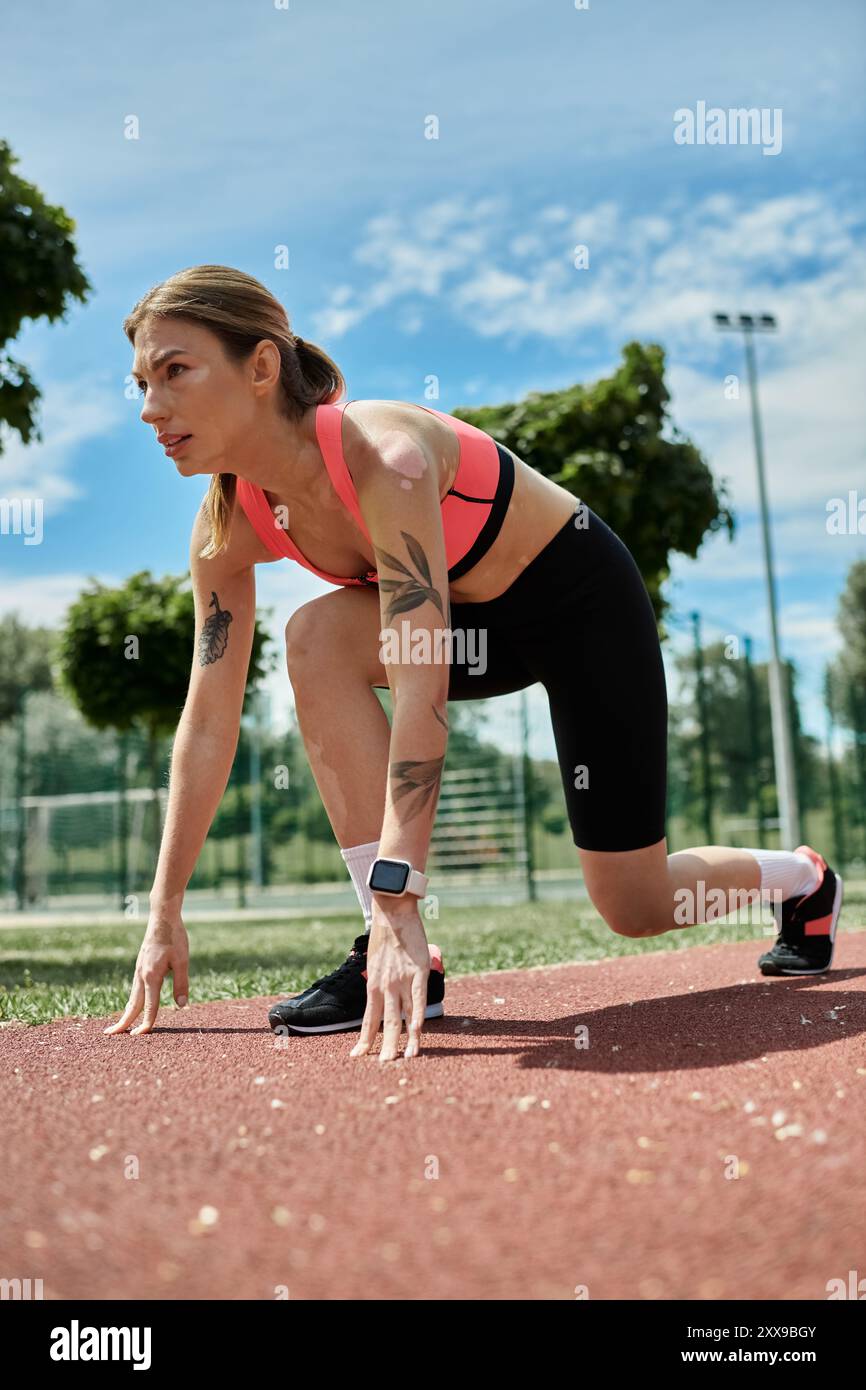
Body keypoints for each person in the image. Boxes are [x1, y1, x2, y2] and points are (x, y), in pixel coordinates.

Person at [104, 264, 844, 1062]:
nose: (151, 407)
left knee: (634, 903)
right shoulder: (226, 528)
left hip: (579, 610)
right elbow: (209, 720)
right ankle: (394, 955)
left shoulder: (387, 458)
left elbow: (422, 689)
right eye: (142, 381)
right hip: (471, 630)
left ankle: (802, 879)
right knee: (316, 634)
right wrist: (163, 909)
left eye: (176, 371)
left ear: (260, 368)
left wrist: (403, 895)